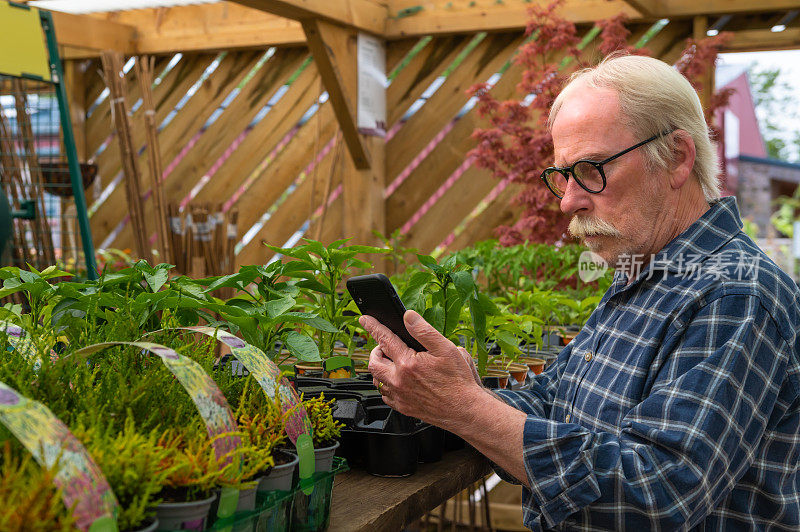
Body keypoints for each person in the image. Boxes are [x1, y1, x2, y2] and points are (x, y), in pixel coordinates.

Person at [360, 54, 800, 531]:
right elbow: (554, 400)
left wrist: (466, 408)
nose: (568, 201)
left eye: (591, 169)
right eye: (561, 176)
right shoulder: (644, 271)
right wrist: (463, 391)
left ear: (676, 157)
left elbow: (656, 496)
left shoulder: (736, 295)